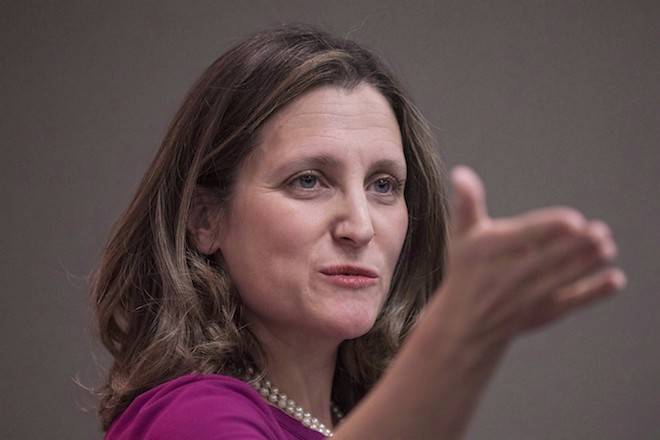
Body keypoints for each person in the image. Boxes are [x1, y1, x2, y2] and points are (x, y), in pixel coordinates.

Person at [92, 24, 625, 439]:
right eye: (308, 181)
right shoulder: (190, 418)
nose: (360, 226)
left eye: (384, 185)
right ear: (206, 219)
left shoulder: (353, 419)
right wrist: (460, 334)